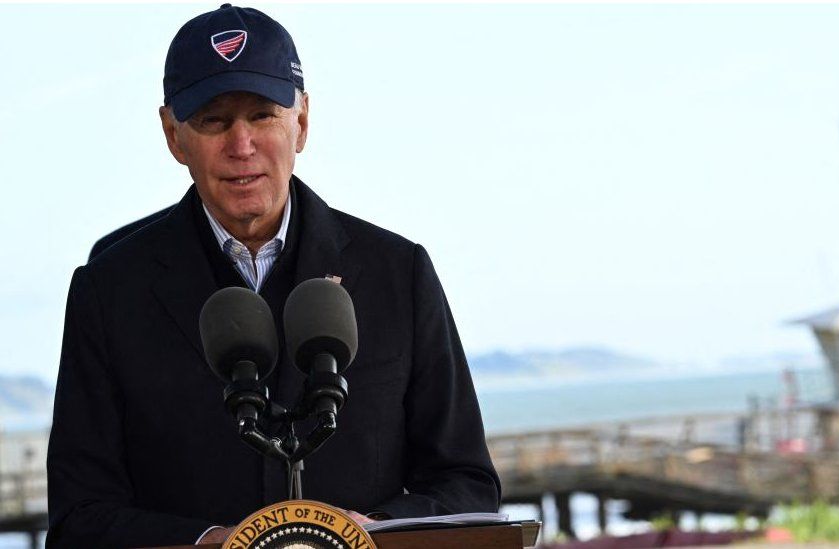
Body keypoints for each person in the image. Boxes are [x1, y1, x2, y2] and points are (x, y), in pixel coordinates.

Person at [46, 4, 500, 547]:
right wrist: (217, 544)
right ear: (172, 135)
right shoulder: (108, 291)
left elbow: (468, 486)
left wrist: (370, 534)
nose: (242, 146)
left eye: (263, 115)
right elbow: (79, 520)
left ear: (302, 121)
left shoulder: (398, 273)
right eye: (214, 121)